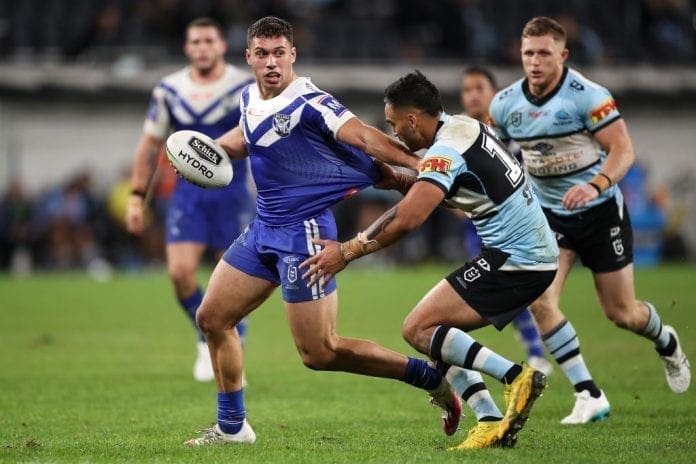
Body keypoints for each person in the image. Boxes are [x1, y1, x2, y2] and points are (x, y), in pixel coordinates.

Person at [184, 16, 464, 447]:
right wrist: (206, 152)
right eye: (263, 54)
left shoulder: (310, 101)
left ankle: (428, 376)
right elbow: (249, 135)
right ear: (248, 57)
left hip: (305, 234)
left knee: (320, 352)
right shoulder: (248, 97)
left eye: (280, 53)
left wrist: (419, 164)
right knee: (212, 318)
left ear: (292, 55)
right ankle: (233, 427)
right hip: (263, 228)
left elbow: (365, 137)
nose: (272, 62)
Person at [302, 70, 559, 450]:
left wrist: (348, 250)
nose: (393, 134)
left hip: (517, 258)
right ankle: (490, 422)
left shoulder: (445, 151)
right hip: (529, 253)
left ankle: (515, 377)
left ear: (412, 120)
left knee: (419, 329)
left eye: (393, 125)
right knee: (436, 334)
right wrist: (401, 181)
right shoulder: (464, 127)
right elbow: (452, 195)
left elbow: (409, 219)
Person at [488, 16, 691, 424]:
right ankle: (588, 393)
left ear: (562, 55)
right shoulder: (505, 104)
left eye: (544, 53)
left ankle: (666, 340)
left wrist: (595, 185)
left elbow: (623, 149)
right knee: (540, 301)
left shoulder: (587, 96)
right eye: (528, 54)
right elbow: (495, 155)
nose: (535, 62)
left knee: (622, 313)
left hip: (600, 214)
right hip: (550, 217)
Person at [125, 17, 255, 382]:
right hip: (188, 195)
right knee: (180, 273)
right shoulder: (169, 90)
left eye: (208, 41)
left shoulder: (244, 87)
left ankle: (230, 341)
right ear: (187, 47)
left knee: (233, 281)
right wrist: (136, 197)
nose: (202, 48)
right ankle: (206, 335)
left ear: (221, 45)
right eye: (195, 42)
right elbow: (149, 146)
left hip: (232, 194)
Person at [460, 66, 553, 376]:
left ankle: (536, 352)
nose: (473, 95)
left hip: (517, 224)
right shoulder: (457, 133)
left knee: (521, 290)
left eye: (479, 88)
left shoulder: (512, 130)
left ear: (494, 93)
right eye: (467, 90)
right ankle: (533, 350)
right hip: (477, 227)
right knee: (505, 290)